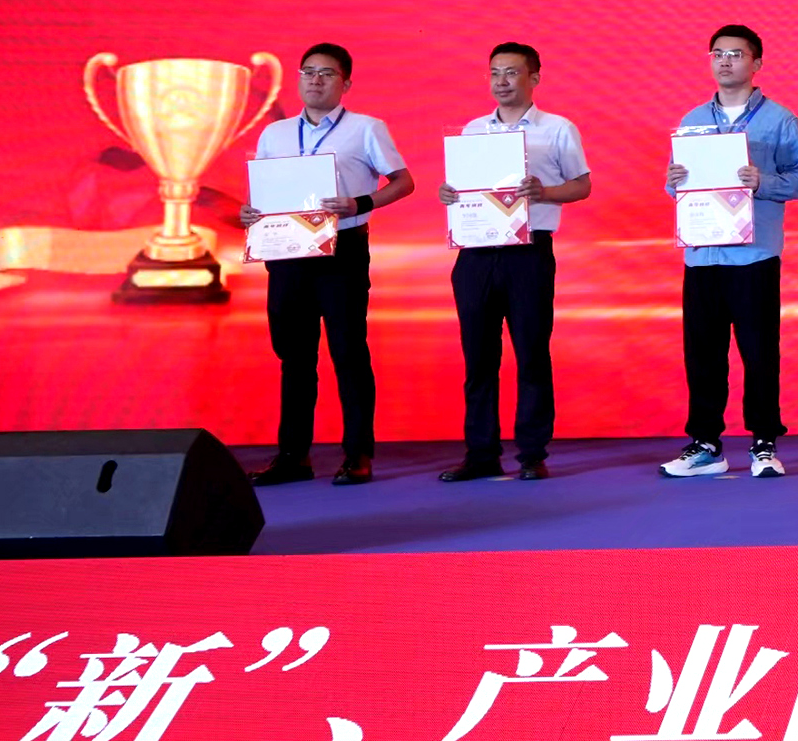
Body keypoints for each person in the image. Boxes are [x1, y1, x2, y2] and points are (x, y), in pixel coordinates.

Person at [242, 43, 413, 487]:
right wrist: (250, 212)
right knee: (294, 357)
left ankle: (358, 454)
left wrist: (361, 202)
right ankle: (293, 456)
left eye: (327, 73)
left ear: (346, 83)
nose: (315, 80)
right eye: (308, 72)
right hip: (287, 254)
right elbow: (263, 191)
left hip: (342, 252)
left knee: (348, 352)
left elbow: (403, 181)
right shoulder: (275, 133)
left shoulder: (366, 128)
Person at [660, 25, 798, 480]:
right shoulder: (692, 121)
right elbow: (676, 188)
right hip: (703, 255)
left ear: (756, 63)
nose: (725, 61)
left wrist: (763, 181)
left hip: (754, 255)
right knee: (702, 355)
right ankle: (706, 444)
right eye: (717, 54)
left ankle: (763, 444)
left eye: (736, 54)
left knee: (759, 353)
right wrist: (674, 181)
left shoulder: (779, 119)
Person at [436, 42, 591, 482]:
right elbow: (464, 188)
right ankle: (481, 453)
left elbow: (582, 185)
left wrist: (545, 192)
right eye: (494, 73)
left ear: (534, 78)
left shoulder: (557, 129)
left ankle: (532, 453)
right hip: (476, 253)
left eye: (511, 72)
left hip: (529, 252)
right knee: (478, 358)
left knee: (531, 352)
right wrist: (449, 194)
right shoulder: (473, 130)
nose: (501, 81)